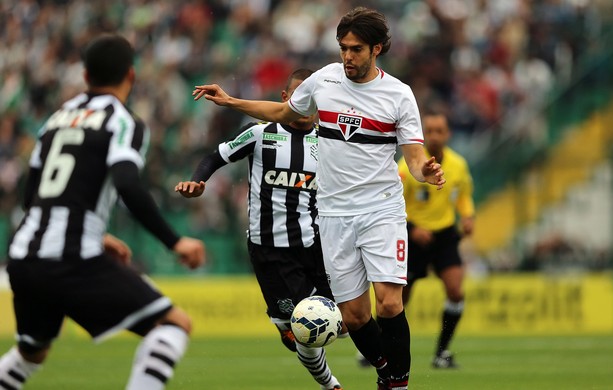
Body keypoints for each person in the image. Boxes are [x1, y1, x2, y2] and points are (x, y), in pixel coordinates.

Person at [192, 7, 445, 390]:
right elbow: (281, 111)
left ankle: (398, 384)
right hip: (332, 215)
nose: (347, 56)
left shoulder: (399, 95)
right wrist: (231, 102)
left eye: (356, 49)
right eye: (343, 47)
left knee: (390, 304)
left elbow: (413, 158)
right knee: (356, 316)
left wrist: (425, 170)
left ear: (377, 49)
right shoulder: (324, 81)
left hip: (381, 209)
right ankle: (386, 374)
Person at [0, 34, 206, 390]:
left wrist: (97, 231)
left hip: (23, 255)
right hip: (70, 257)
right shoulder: (122, 121)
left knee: (31, 353)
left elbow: (29, 196)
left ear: (85, 76)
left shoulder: (55, 120)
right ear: (131, 75)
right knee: (173, 325)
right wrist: (174, 242)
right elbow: (127, 183)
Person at [175, 68, 343, 390]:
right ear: (285, 99)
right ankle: (330, 385)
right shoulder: (260, 133)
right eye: (297, 99)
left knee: (347, 321)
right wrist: (199, 181)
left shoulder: (328, 142)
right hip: (269, 250)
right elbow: (215, 157)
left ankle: (386, 373)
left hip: (317, 245)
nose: (304, 106)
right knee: (296, 334)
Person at [397, 112, 475, 369]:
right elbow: (393, 201)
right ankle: (379, 348)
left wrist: (467, 216)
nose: (434, 136)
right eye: (429, 130)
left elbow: (463, 195)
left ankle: (441, 353)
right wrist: (412, 227)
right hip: (413, 236)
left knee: (455, 291)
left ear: (448, 134)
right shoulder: (407, 165)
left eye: (439, 130)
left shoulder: (458, 165)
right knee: (396, 300)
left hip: (443, 235)